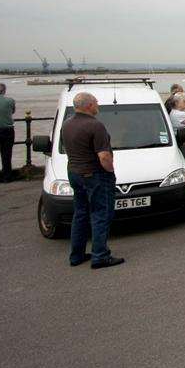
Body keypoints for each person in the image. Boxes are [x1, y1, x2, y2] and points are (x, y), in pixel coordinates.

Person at [61, 92, 124, 269]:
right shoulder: (95, 126)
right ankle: (100, 256)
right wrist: (110, 171)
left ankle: (77, 254)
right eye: (96, 102)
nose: (98, 105)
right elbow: (104, 156)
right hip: (94, 174)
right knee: (101, 215)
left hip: (75, 172)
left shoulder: (67, 124)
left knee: (80, 214)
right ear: (88, 105)